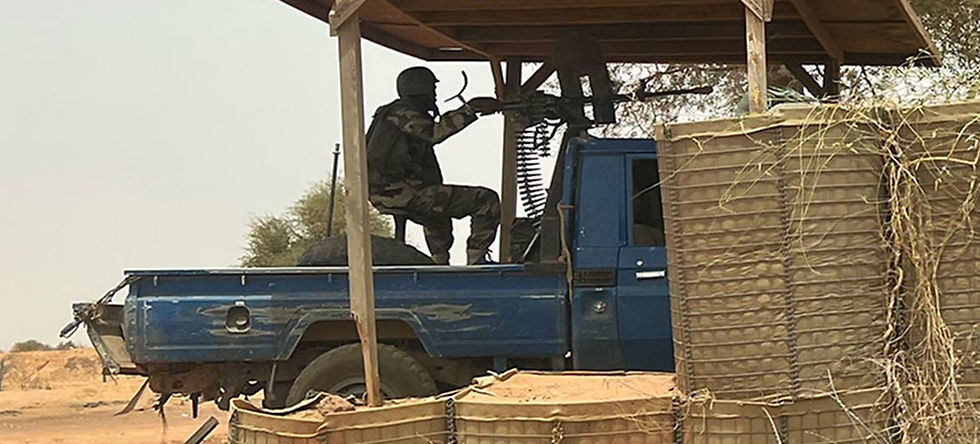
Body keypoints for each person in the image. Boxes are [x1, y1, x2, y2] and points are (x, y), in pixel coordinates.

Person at [366, 67, 503, 265]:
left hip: (395, 193)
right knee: (486, 200)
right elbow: (434, 133)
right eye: (432, 89)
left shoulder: (391, 114)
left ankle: (439, 264)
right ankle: (477, 260)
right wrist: (470, 109)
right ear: (419, 90)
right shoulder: (401, 113)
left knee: (437, 210)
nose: (434, 94)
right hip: (400, 194)